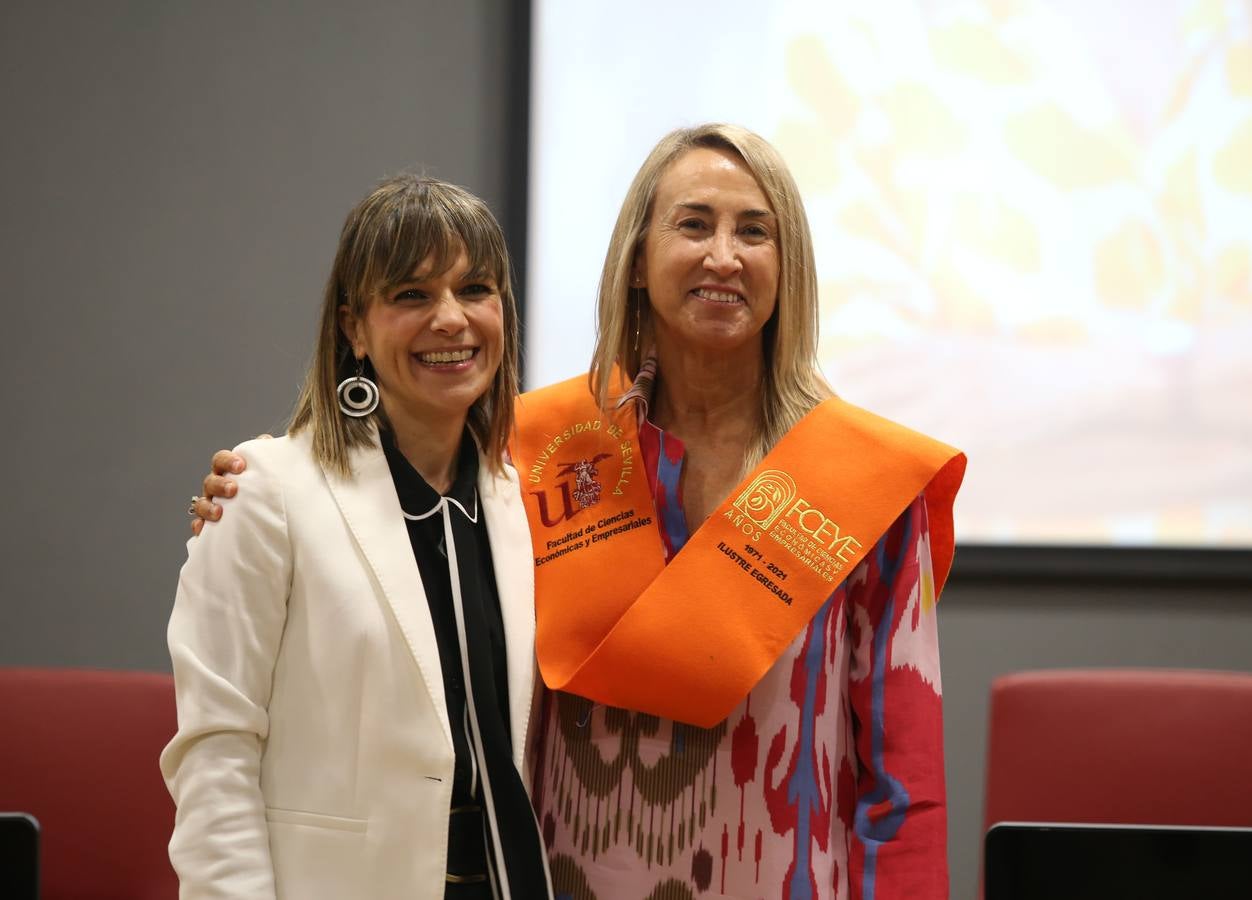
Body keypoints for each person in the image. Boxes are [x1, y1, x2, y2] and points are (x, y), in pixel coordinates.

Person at [194, 124, 965, 899]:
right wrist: (248, 491)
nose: (723, 255)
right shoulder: (539, 453)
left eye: (755, 232)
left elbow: (905, 787)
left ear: (788, 264)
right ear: (636, 257)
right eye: (693, 224)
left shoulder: (863, 481)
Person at [165, 175, 552, 899]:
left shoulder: (525, 495)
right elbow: (215, 753)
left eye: (476, 289)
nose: (451, 319)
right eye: (412, 295)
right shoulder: (264, 492)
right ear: (353, 328)